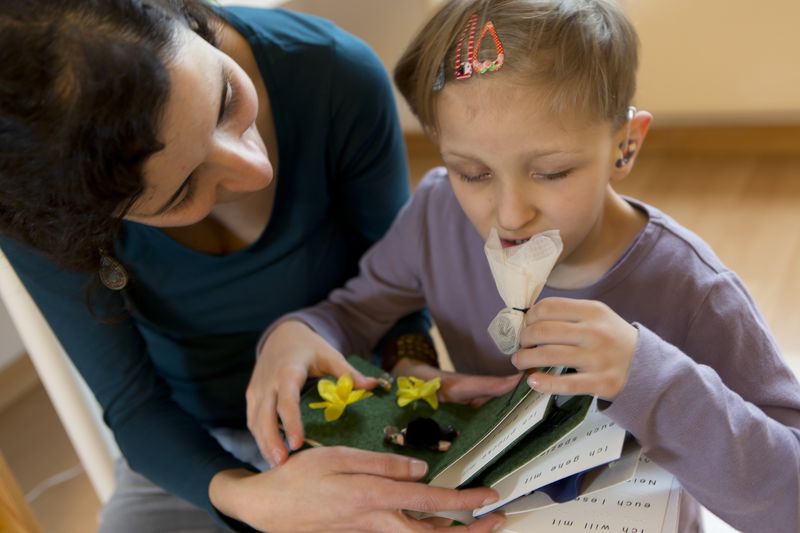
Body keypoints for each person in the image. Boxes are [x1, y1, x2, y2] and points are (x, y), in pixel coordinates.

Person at [254, 0, 800, 531]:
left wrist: (649, 378)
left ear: (625, 147)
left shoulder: (694, 291)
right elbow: (353, 313)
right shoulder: (438, 215)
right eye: (472, 172)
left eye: (553, 172)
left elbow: (789, 498)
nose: (511, 214)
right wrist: (298, 332)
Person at [0, 1, 509, 532]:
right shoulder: (41, 201)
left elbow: (397, 293)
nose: (256, 170)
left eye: (224, 98)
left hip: (361, 401)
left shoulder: (332, 76)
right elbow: (134, 406)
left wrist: (410, 372)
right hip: (197, 441)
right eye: (182, 191)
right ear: (81, 223)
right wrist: (250, 499)